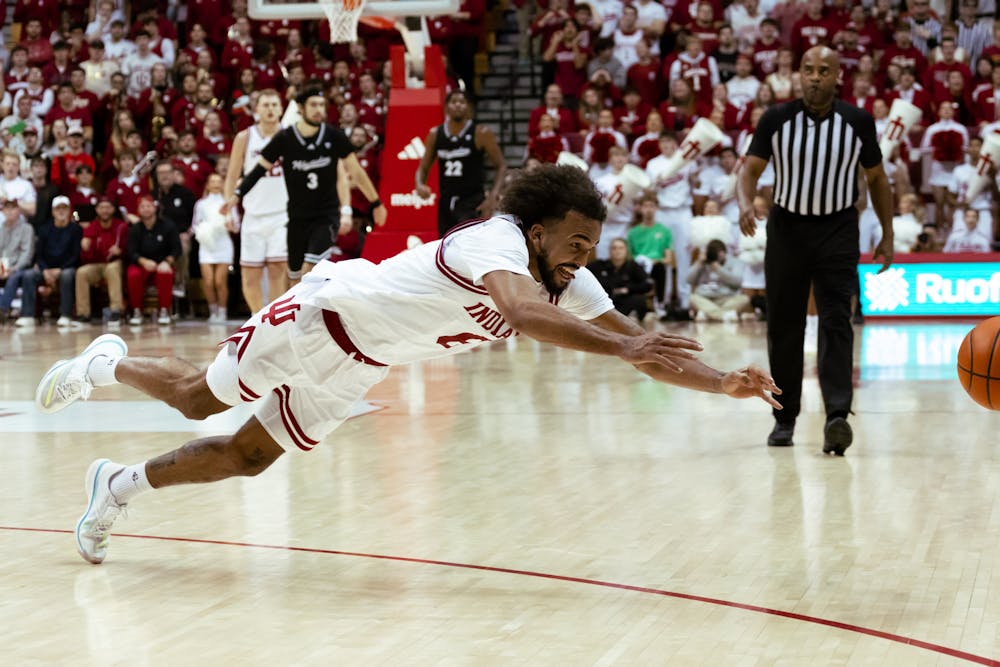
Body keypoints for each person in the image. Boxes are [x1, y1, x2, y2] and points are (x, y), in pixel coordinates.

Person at [35, 165, 781, 566]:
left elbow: (644, 351)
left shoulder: (569, 280)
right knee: (200, 399)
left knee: (248, 455)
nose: (586, 258)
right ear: (542, 227)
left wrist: (721, 380)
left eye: (592, 246)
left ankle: (115, 488)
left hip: (365, 361)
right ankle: (110, 362)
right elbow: (522, 315)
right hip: (326, 313)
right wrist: (622, 344)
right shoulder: (492, 242)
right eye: (578, 242)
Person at [737, 46, 895, 455]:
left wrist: (888, 233)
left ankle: (837, 416)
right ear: (799, 75)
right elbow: (750, 169)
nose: (814, 77)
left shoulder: (858, 122)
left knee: (837, 321)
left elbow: (877, 180)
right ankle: (784, 417)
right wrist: (743, 203)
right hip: (787, 228)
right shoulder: (775, 118)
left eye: (824, 70)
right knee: (784, 325)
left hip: (838, 228)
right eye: (808, 69)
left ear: (837, 76)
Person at [225, 87, 387, 282]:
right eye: (313, 105)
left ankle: (318, 310)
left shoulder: (334, 137)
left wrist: (376, 203)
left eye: (321, 105)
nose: (319, 110)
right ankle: (302, 311)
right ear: (301, 109)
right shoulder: (285, 138)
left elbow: (356, 173)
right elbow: (258, 171)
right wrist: (237, 194)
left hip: (326, 216)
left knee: (310, 268)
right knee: (295, 277)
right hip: (296, 217)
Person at [223, 89, 288, 314]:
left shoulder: (289, 136)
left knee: (278, 269)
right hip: (253, 214)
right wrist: (229, 211)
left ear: (281, 109)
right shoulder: (245, 137)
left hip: (282, 214)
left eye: (274, 104)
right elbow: (232, 175)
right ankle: (256, 317)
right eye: (265, 105)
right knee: (250, 273)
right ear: (256, 110)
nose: (270, 109)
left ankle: (274, 318)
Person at [415, 89, 508, 238]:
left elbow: (501, 166)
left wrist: (493, 196)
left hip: (472, 201)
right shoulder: (435, 134)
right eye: (453, 102)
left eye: (462, 102)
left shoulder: (481, 133)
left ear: (468, 108)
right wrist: (420, 184)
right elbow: (423, 168)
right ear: (446, 107)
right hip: (445, 202)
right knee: (445, 249)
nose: (458, 105)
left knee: (468, 247)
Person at [0, 196, 81, 328]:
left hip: (66, 268)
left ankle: (65, 315)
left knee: (67, 275)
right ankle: (27, 315)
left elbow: (76, 255)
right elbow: (39, 255)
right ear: (53, 211)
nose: (61, 211)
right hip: (46, 268)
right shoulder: (45, 229)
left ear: (69, 210)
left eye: (64, 208)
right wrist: (45, 270)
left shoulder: (75, 230)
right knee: (29, 275)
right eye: (58, 208)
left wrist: (59, 270)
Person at [126, 195, 180, 326]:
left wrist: (167, 261)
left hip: (162, 263)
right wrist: (143, 261)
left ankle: (164, 311)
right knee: (133, 274)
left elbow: (176, 249)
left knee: (165, 273)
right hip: (142, 264)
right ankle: (137, 311)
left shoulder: (168, 226)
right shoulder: (135, 229)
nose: (146, 209)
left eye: (149, 206)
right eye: (142, 207)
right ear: (138, 210)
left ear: (155, 208)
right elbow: (131, 252)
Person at [192, 173, 239, 323]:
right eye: (212, 181)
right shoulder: (201, 204)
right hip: (206, 244)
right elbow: (195, 224)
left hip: (223, 244)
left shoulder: (228, 202)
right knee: (208, 281)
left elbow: (236, 225)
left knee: (220, 281)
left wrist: (230, 225)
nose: (216, 184)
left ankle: (222, 311)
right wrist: (203, 230)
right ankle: (212, 311)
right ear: (207, 184)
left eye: (219, 181)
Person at [76, 196, 127, 325]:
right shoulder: (91, 228)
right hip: (97, 264)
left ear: (113, 209)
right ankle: (83, 313)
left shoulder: (121, 227)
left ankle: (116, 310)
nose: (105, 210)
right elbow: (86, 258)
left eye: (108, 207)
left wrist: (120, 252)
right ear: (97, 210)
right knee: (82, 272)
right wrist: (85, 248)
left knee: (111, 269)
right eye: (101, 207)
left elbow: (130, 250)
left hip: (116, 263)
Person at [588, 237, 653, 320]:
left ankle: (630, 320)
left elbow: (647, 284)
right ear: (609, 251)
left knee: (639, 299)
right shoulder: (599, 265)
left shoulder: (633, 266)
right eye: (614, 248)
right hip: (605, 301)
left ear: (626, 250)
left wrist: (628, 289)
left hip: (625, 300)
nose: (617, 251)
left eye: (621, 248)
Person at [687, 239, 749, 322]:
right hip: (705, 299)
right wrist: (699, 263)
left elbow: (737, 282)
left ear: (724, 252)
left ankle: (708, 314)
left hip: (727, 299)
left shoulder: (735, 262)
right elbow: (689, 280)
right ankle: (724, 316)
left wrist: (718, 269)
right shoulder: (703, 263)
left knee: (744, 299)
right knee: (692, 298)